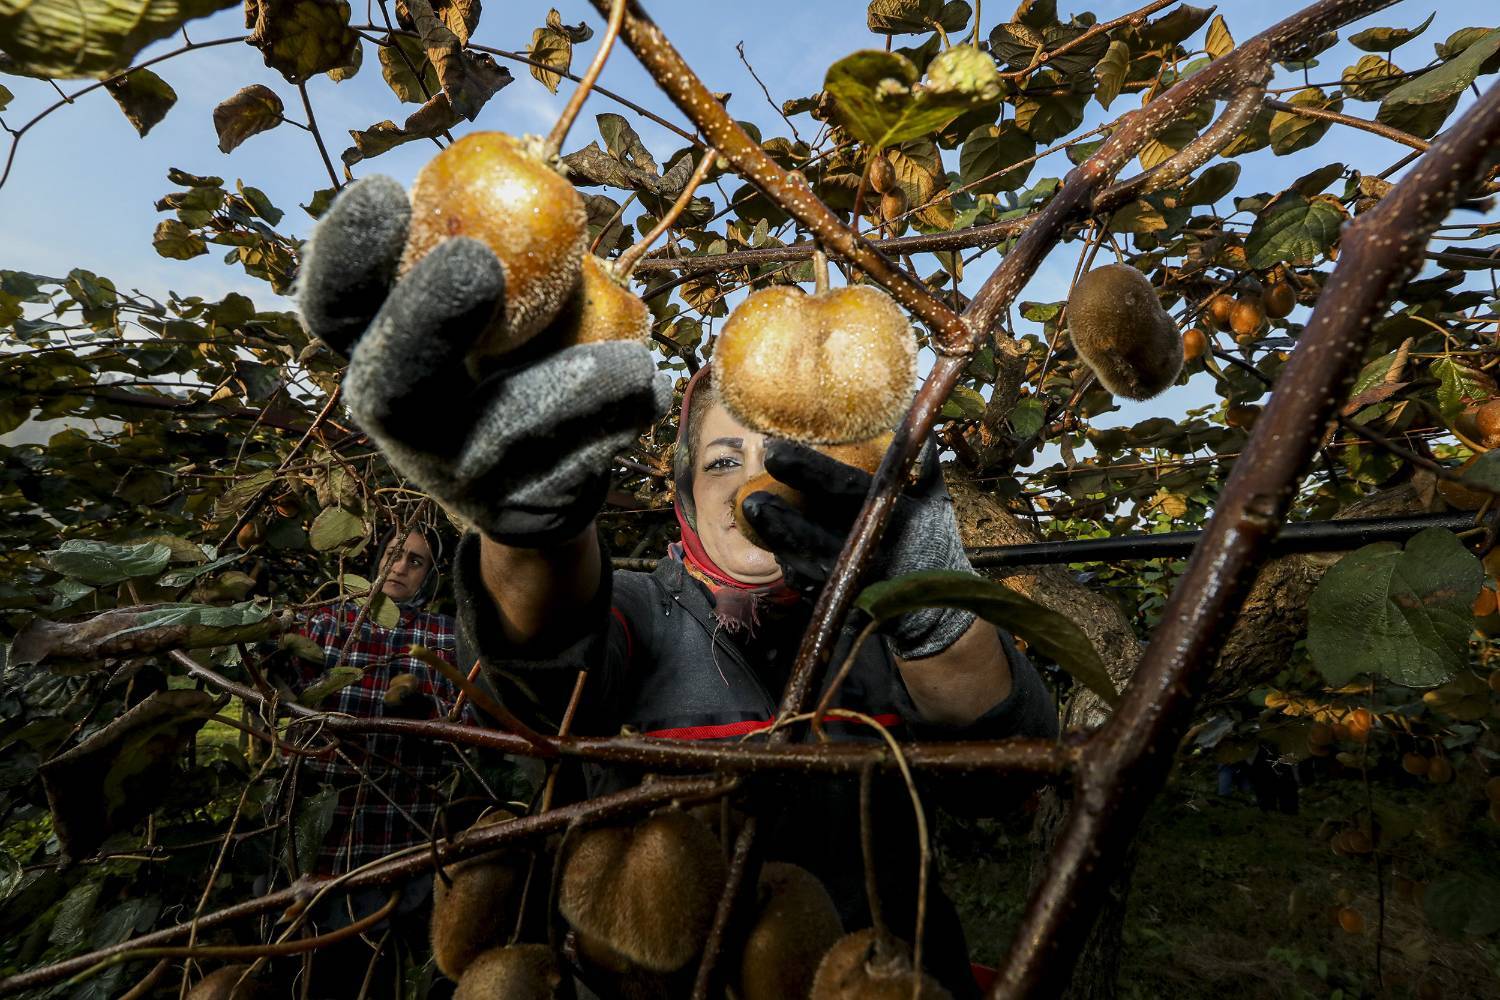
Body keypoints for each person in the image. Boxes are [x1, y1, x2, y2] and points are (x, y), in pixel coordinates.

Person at [297, 176, 1057, 998]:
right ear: (685, 493)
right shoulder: (644, 612)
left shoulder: (878, 629)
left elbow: (1005, 779)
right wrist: (531, 522)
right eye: (723, 461)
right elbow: (547, 643)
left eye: (785, 456)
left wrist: (933, 607)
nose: (751, 489)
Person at [275, 523, 472, 998]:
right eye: (393, 554)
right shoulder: (326, 622)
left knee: (382, 978)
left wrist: (423, 714)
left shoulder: (446, 638)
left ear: (431, 575)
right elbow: (280, 703)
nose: (399, 567)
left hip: (399, 844)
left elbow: (462, 734)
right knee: (305, 976)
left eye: (416, 561)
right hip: (318, 842)